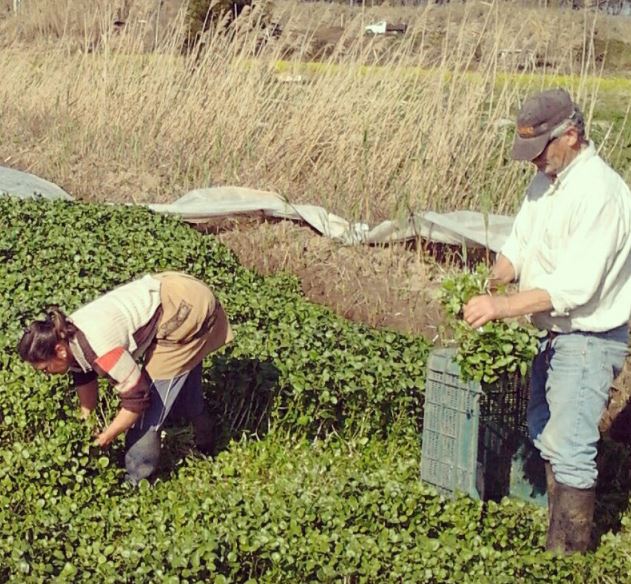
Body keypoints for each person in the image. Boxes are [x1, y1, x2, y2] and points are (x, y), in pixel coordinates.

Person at [463, 88, 631, 554]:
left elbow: (574, 288)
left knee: (571, 446)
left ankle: (568, 557)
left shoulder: (600, 194)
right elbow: (520, 244)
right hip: (551, 335)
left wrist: (500, 308)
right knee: (546, 430)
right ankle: (557, 540)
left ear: (571, 135)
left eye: (540, 149)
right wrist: (493, 277)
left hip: (588, 338)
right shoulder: (546, 181)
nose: (534, 161)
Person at [18, 271, 233, 484]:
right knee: (178, 378)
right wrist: (86, 421)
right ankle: (206, 442)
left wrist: (107, 436)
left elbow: (137, 400)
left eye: (45, 369)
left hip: (185, 306)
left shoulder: (101, 348)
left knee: (149, 411)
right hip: (174, 292)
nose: (46, 374)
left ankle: (136, 481)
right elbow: (83, 375)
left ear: (59, 351)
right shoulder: (66, 334)